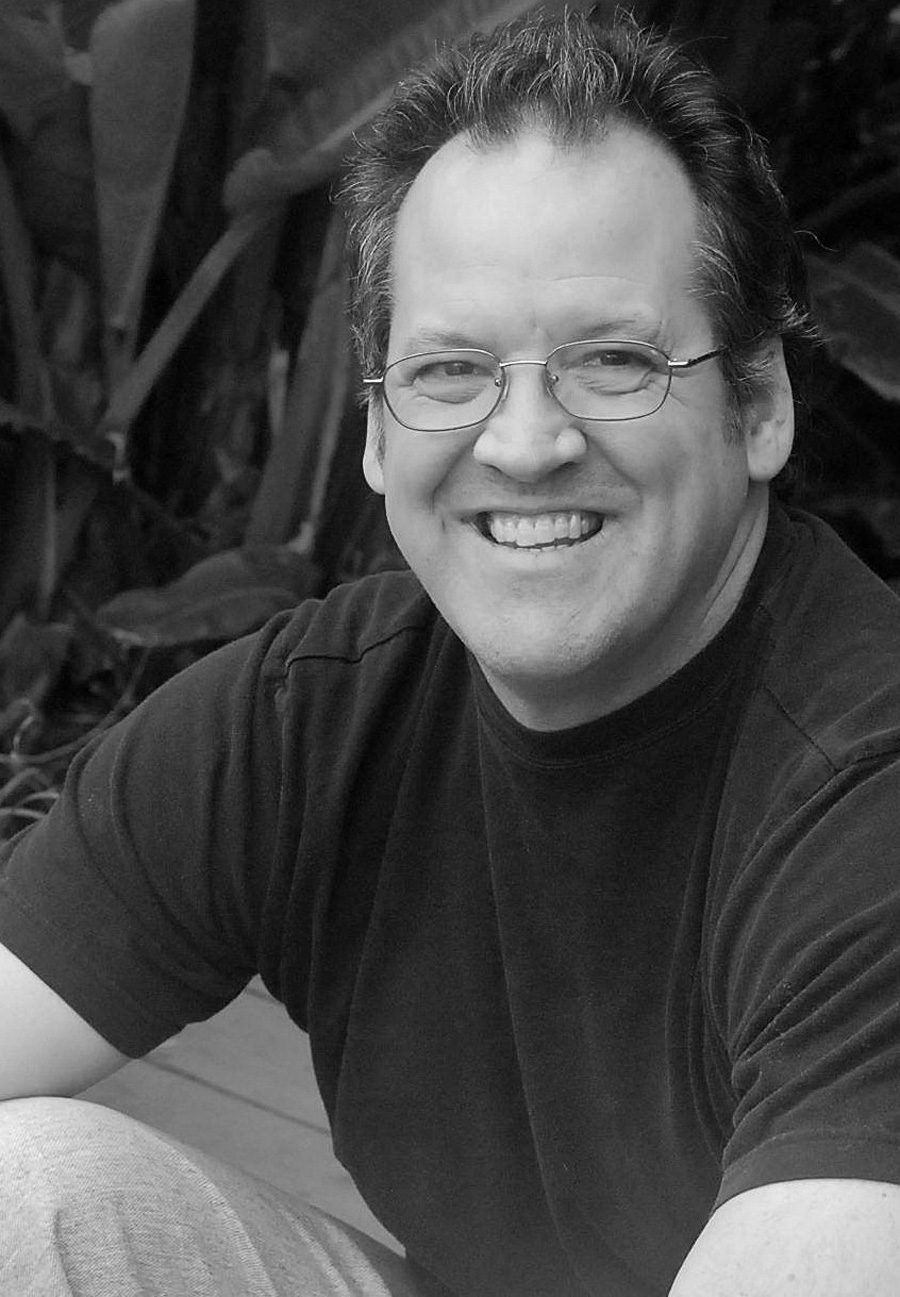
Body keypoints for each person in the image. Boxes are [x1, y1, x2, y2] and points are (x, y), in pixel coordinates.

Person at [2, 9, 900, 1296]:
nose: (523, 444)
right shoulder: (311, 719)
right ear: (377, 430)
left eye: (611, 360)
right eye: (450, 371)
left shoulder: (864, 792)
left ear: (757, 403)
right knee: (30, 1193)